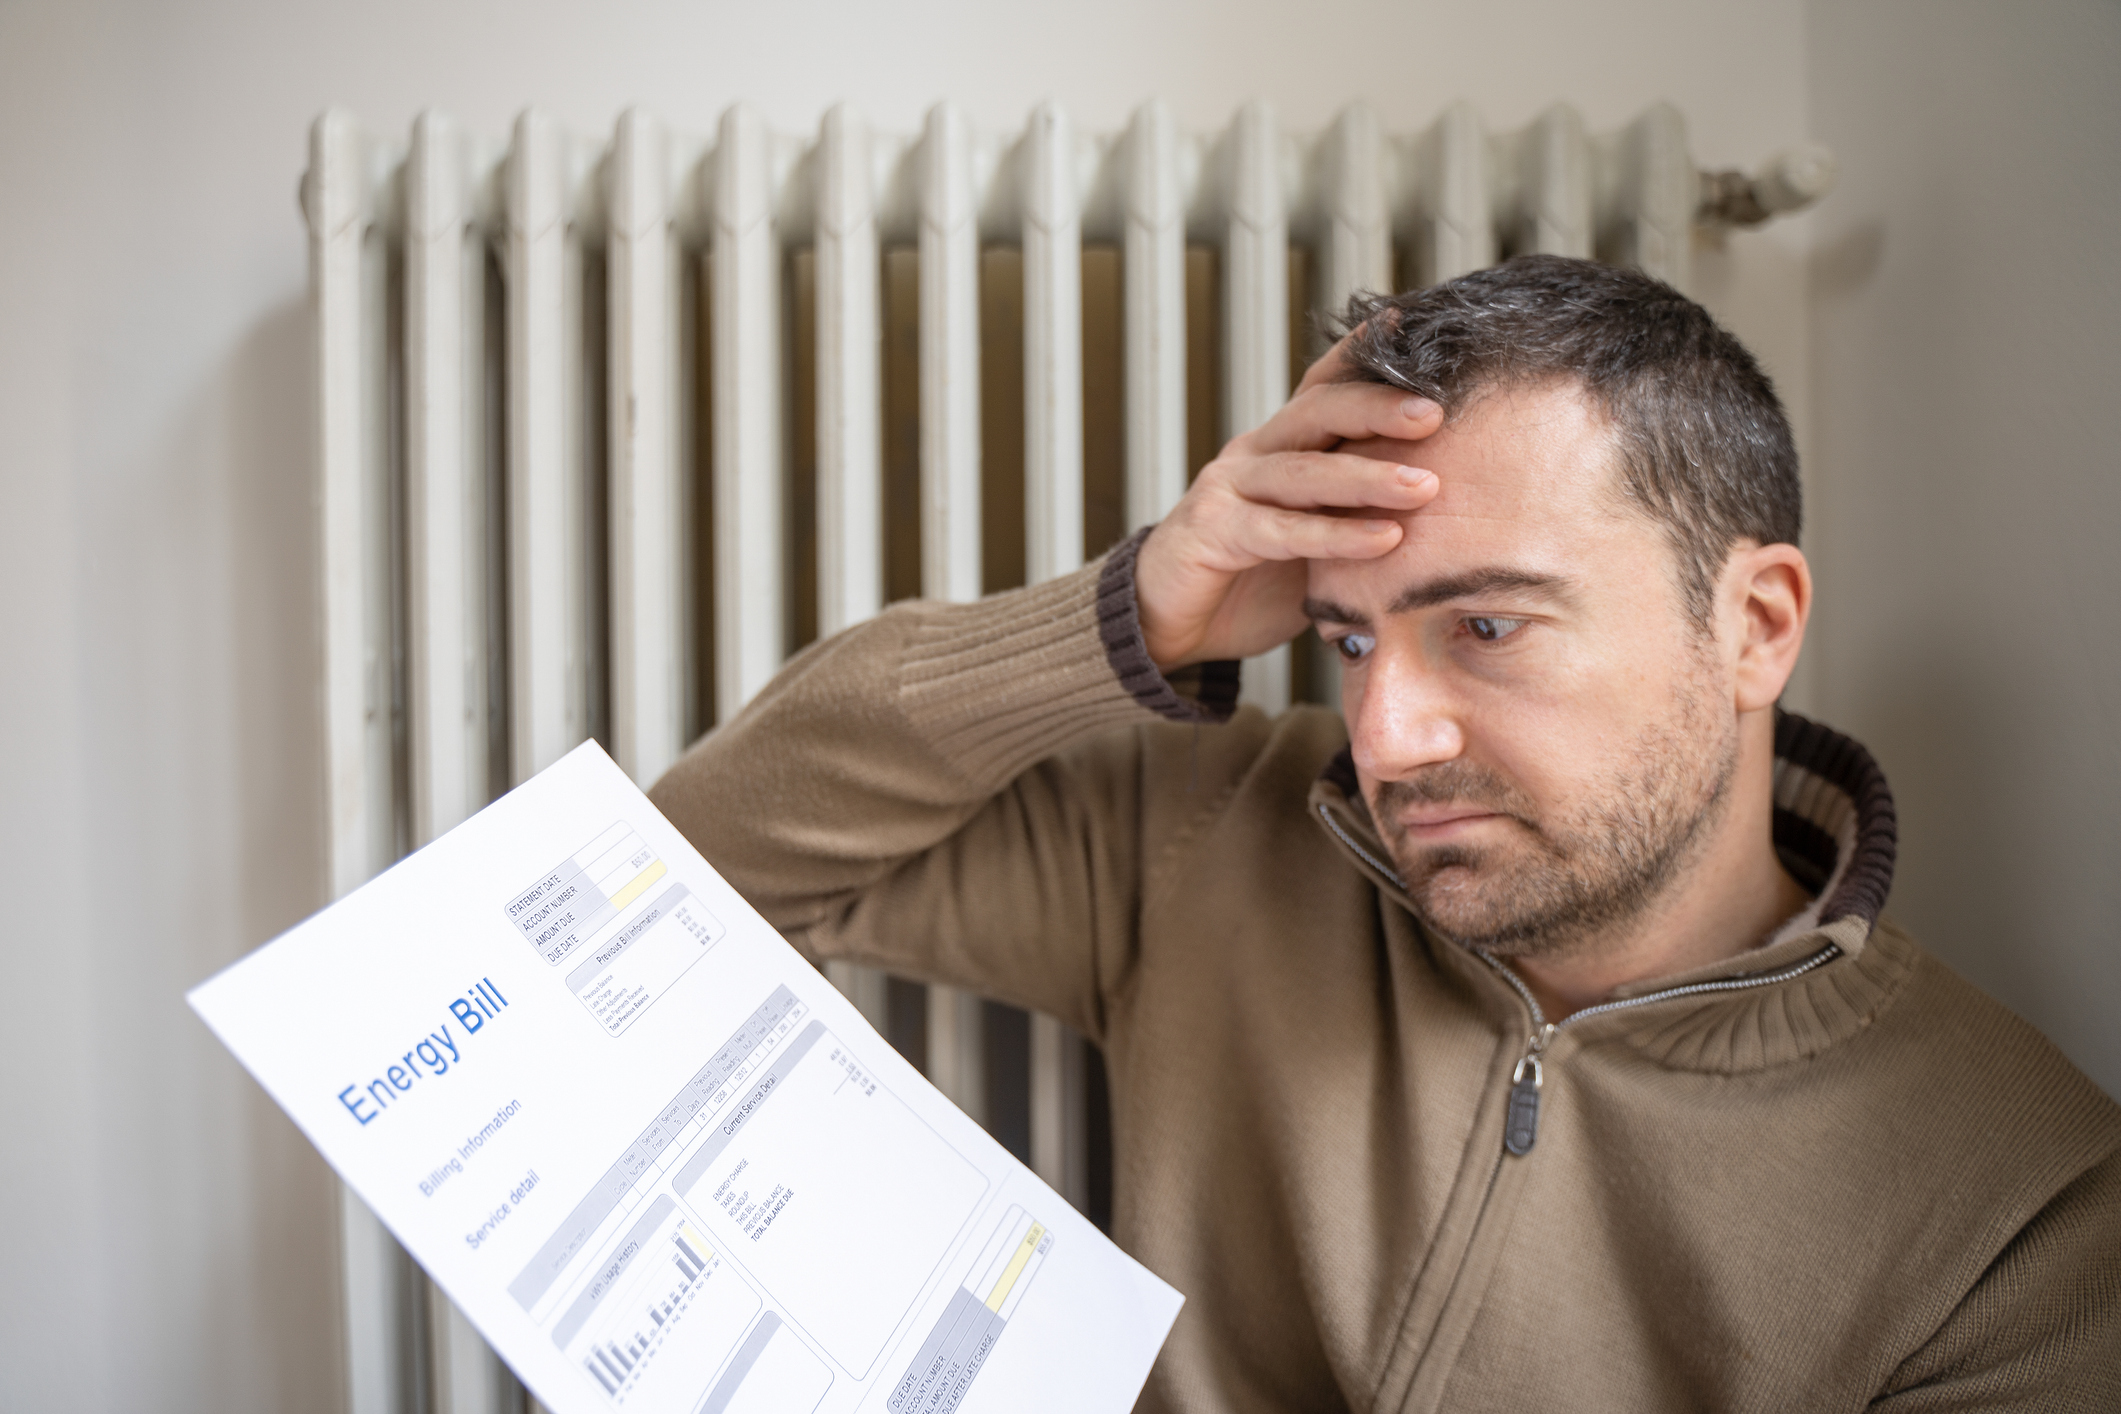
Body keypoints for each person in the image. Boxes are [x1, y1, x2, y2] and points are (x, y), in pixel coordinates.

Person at [649, 255, 2120, 1411]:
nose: (1384, 738)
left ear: (1754, 625)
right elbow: (682, 870)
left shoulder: (2025, 1212)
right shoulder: (1213, 828)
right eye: (1348, 640)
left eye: (1485, 626)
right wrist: (1136, 611)